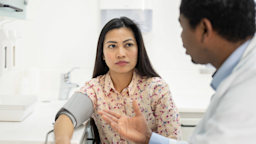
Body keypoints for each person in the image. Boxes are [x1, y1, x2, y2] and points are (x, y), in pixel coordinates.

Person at [98, 0, 256, 144]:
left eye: (183, 27)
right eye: (112, 46)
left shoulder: (246, 92)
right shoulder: (241, 75)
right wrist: (148, 138)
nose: (181, 37)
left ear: (204, 29)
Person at [54, 17, 181, 144]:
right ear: (102, 54)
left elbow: (172, 140)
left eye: (128, 45)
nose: (121, 53)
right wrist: (62, 140)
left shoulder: (157, 89)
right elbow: (67, 116)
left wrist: (147, 137)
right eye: (112, 46)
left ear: (139, 50)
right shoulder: (95, 89)